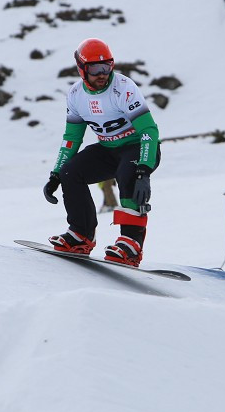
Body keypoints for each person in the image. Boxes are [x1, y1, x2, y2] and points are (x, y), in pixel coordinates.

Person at [41, 38, 161, 266]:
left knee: (128, 173)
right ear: (82, 69)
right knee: (70, 173)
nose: (102, 74)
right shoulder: (76, 95)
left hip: (138, 147)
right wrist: (56, 174)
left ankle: (131, 244)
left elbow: (149, 130)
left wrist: (144, 170)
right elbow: (72, 138)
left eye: (107, 67)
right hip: (108, 150)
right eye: (95, 69)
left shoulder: (124, 89)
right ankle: (81, 235)